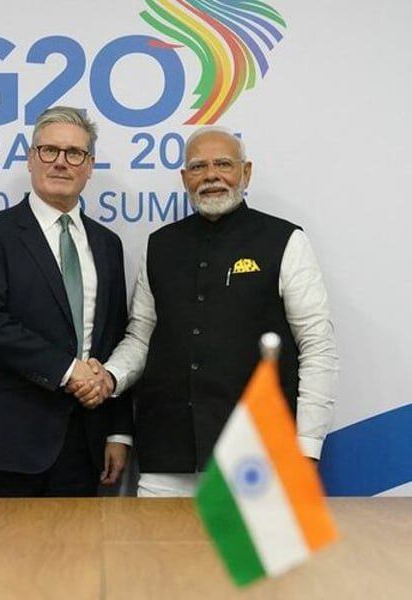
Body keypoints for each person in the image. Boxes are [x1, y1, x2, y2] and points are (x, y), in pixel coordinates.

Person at [71, 125, 339, 497]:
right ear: (185, 178)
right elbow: (141, 337)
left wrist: (307, 445)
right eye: (198, 167)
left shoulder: (285, 241)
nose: (211, 175)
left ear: (246, 172)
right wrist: (110, 377)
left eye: (223, 164)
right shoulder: (159, 245)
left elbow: (317, 346)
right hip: (166, 459)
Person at [0, 106, 132, 497]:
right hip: (2, 445)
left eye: (74, 153)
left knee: (77, 542)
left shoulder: (107, 244)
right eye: (49, 150)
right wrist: (69, 370)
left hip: (83, 444)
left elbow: (114, 338)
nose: (61, 162)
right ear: (31, 158)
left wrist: (117, 432)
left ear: (89, 165)